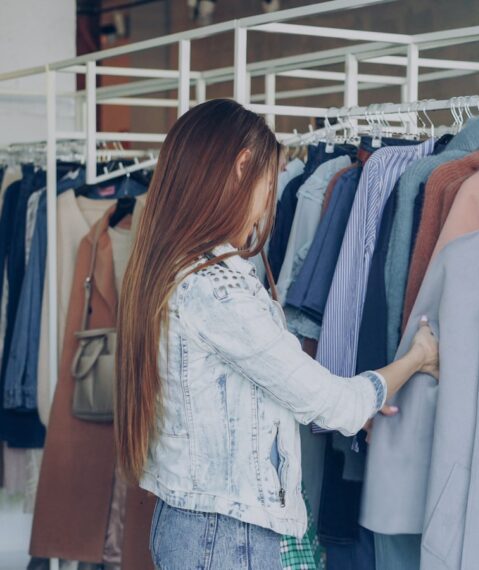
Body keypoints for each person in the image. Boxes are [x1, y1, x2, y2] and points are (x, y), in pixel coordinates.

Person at [114, 99, 439, 569]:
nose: (267, 203)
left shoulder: (168, 269)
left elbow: (260, 391)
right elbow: (334, 404)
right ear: (244, 166)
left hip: (191, 525)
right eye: (270, 180)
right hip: (225, 538)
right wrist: (416, 358)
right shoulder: (219, 288)